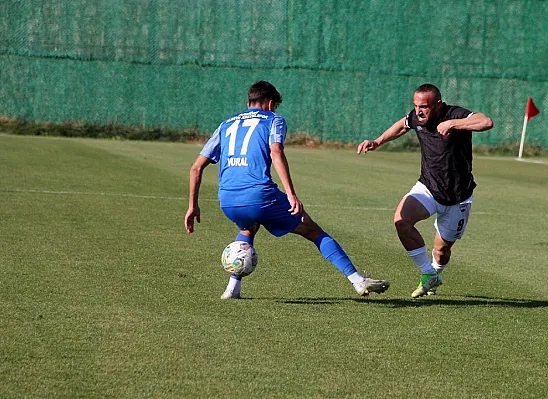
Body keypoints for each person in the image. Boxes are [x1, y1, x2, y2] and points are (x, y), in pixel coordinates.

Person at [185, 81, 389, 299]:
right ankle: (358, 281)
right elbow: (276, 152)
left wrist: (192, 206)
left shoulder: (226, 124)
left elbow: (196, 168)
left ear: (248, 102)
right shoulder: (274, 120)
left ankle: (232, 289)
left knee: (248, 228)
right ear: (271, 103)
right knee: (313, 231)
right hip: (259, 196)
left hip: (228, 200)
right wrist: (291, 194)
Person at [357, 84, 493, 298]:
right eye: (416, 106)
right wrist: (378, 141)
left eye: (425, 106)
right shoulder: (416, 117)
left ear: (438, 104)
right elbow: (402, 125)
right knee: (401, 221)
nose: (419, 111)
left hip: (458, 197)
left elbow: (486, 122)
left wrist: (454, 124)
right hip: (428, 187)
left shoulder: (455, 114)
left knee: (441, 250)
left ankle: (435, 275)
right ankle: (428, 273)